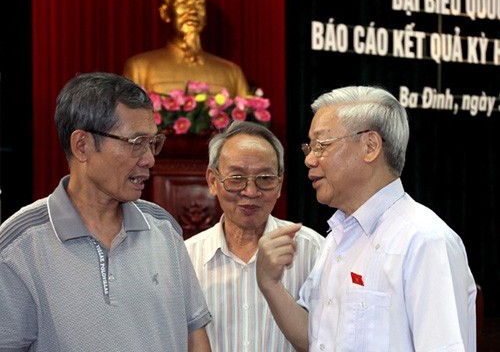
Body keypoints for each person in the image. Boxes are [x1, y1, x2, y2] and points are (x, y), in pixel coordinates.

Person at [0, 72, 212, 351]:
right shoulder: (19, 244)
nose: (149, 159)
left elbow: (194, 335)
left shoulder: (163, 227)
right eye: (136, 143)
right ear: (82, 145)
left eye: (152, 143)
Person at [256, 86, 477, 352]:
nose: (310, 159)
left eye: (321, 145)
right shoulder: (338, 236)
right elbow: (317, 340)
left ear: (370, 146)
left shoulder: (424, 241)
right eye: (309, 147)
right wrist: (269, 284)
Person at [185, 120, 325, 351]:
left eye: (265, 179)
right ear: (212, 181)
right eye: (236, 178)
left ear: (279, 184)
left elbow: (329, 341)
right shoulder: (187, 258)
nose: (250, 191)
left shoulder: (314, 250)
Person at [123, 0, 249, 97]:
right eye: (183, 3)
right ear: (165, 13)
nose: (193, 11)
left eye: (199, 4)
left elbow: (247, 118)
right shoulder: (140, 68)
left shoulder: (232, 73)